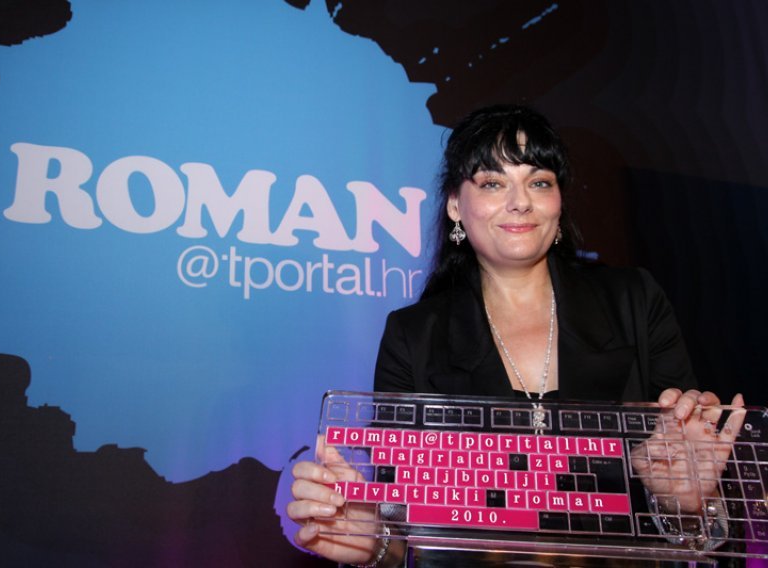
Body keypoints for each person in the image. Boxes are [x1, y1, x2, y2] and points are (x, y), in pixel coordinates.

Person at [288, 104, 744, 566]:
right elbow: (405, 534)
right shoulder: (413, 336)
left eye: (539, 181)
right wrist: (372, 542)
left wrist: (688, 505)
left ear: (558, 201)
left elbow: (696, 528)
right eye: (492, 183)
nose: (520, 201)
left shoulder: (635, 301)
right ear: (455, 206)